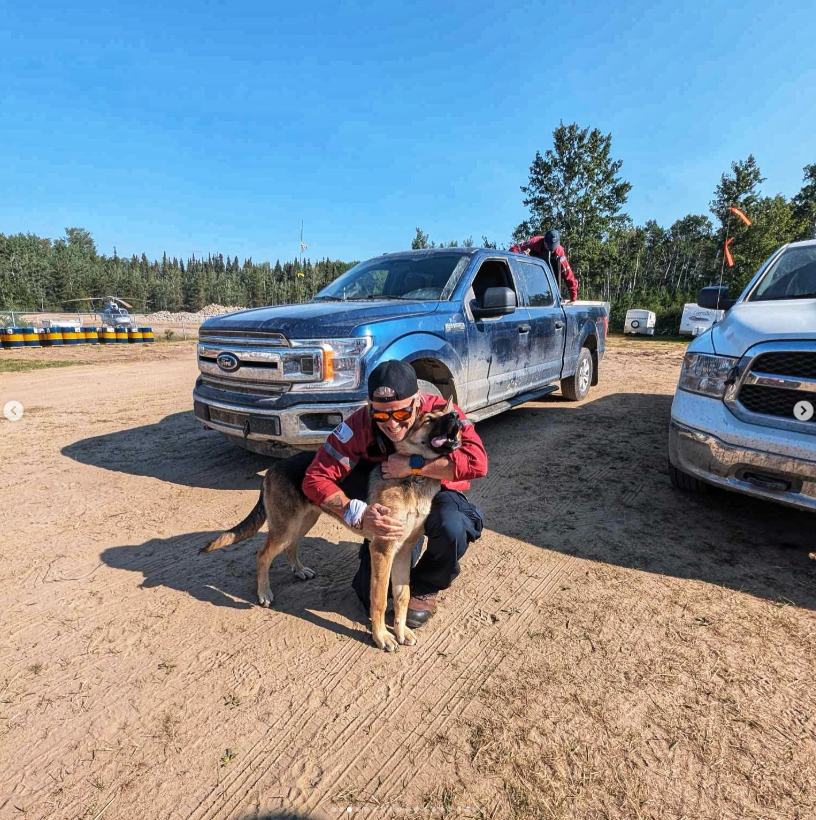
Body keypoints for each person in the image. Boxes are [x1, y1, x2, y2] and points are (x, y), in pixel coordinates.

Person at [301, 360, 487, 628]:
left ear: (417, 401)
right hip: (389, 495)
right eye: (381, 415)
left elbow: (477, 462)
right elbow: (315, 477)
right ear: (371, 408)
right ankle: (395, 544)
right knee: (371, 594)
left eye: (400, 414)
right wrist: (356, 511)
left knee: (454, 525)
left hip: (437, 492)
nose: (391, 423)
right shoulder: (361, 423)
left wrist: (414, 466)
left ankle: (425, 586)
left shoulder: (442, 413)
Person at [510, 229, 579, 302]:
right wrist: (522, 255)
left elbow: (568, 274)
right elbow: (513, 250)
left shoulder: (559, 251)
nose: (552, 249)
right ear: (544, 242)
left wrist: (573, 298)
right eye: (550, 246)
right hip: (530, 281)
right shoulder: (534, 242)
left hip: (548, 287)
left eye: (554, 247)